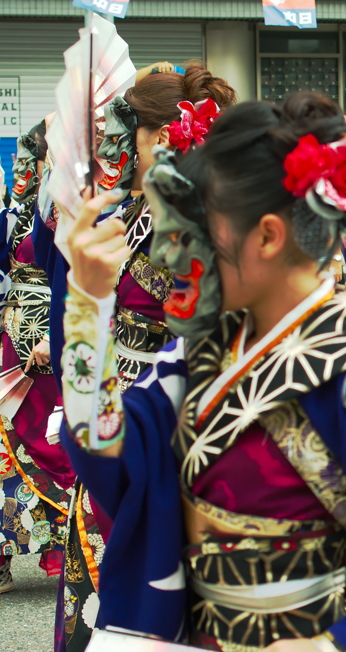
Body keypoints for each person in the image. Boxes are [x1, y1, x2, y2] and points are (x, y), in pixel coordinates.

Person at [57, 93, 346, 651]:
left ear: (269, 236)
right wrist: (88, 306)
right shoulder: (202, 356)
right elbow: (108, 454)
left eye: (198, 231)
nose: (175, 254)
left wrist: (337, 644)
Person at [36, 63, 237, 651]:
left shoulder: (198, 227)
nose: (119, 147)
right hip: (119, 418)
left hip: (161, 435)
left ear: (166, 137)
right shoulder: (139, 214)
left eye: (132, 133)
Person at [0, 122, 76, 595]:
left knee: (49, 438)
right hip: (11, 335)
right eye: (18, 164)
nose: (23, 172)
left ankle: (68, 540)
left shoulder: (66, 208)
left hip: (50, 332)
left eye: (34, 163)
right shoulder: (12, 216)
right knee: (7, 442)